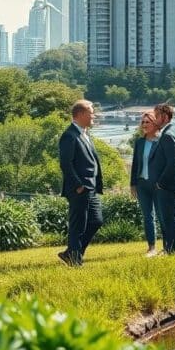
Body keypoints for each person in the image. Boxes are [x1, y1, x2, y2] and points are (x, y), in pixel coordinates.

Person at [58, 100, 104, 267]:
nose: (94, 115)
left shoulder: (85, 134)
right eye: (91, 112)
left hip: (90, 188)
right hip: (79, 188)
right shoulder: (69, 135)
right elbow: (66, 164)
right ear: (81, 114)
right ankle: (75, 260)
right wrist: (78, 185)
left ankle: (72, 252)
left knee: (96, 221)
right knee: (78, 225)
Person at [148, 104, 175, 253]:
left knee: (170, 219)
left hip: (167, 185)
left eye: (157, 116)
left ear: (165, 117)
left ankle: (172, 250)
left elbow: (173, 162)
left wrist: (161, 183)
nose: (154, 119)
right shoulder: (174, 132)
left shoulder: (167, 135)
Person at [130, 110, 162, 257]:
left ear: (155, 123)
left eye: (147, 122)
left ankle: (168, 245)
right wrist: (133, 184)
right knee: (147, 216)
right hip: (142, 184)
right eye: (142, 122)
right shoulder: (140, 142)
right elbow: (135, 164)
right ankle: (151, 247)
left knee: (162, 215)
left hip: (157, 185)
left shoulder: (162, 141)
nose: (144, 124)